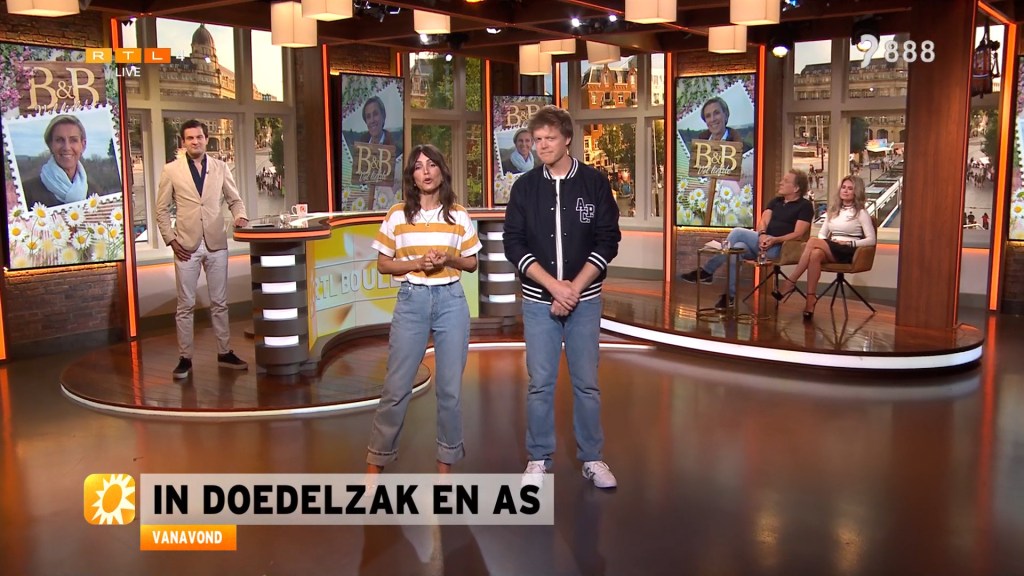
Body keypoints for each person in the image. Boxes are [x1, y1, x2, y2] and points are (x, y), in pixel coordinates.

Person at [503, 105, 622, 489]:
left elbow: (608, 240)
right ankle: (538, 458)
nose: (542, 146)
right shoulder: (524, 187)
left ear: (567, 139)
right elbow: (513, 244)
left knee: (586, 383)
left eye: (549, 139)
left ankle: (593, 458)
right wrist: (555, 287)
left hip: (585, 301)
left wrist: (573, 289)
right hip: (539, 302)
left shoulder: (594, 183)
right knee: (540, 383)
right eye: (537, 140)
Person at [365, 144, 482, 475]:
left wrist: (449, 259)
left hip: (451, 301)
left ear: (442, 171)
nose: (426, 172)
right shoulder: (397, 215)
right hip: (412, 300)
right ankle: (375, 465)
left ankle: (445, 467)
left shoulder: (458, 215)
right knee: (396, 387)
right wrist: (417, 263)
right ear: (412, 177)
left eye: (432, 165)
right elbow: (384, 265)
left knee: (450, 391)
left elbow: (471, 263)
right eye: (419, 167)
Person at [155, 119, 249, 380]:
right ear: (183, 142)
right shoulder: (171, 170)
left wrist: (240, 216)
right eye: (190, 138)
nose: (195, 141)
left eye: (199, 137)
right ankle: (185, 358)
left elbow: (235, 200)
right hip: (186, 246)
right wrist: (172, 241)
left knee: (220, 303)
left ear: (206, 139)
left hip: (216, 244)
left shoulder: (220, 167)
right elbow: (161, 210)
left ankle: (224, 352)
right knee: (185, 305)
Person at [680, 169, 814, 309]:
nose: (781, 183)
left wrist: (774, 240)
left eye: (785, 181)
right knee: (735, 249)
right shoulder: (776, 201)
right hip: (761, 243)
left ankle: (707, 271)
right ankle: (729, 297)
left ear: (796, 188)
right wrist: (762, 234)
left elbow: (798, 234)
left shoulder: (805, 206)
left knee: (737, 232)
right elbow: (763, 221)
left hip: (779, 248)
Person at [777, 175, 876, 320]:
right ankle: (810, 299)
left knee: (812, 241)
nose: (845, 191)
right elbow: (822, 234)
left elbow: (871, 240)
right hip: (833, 247)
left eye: (850, 189)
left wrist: (850, 244)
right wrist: (825, 244)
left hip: (849, 250)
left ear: (857, 192)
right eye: (843, 187)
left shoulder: (861, 213)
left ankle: (790, 281)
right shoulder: (833, 211)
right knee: (815, 254)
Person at [21, 114, 104, 207]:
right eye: (59, 140)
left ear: (83, 145)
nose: (67, 147)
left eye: (73, 140)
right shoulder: (26, 192)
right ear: (50, 145)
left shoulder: (95, 194)